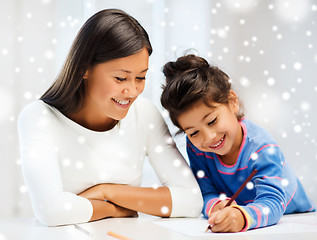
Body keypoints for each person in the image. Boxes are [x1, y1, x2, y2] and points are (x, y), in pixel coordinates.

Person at [17, 9, 203, 227]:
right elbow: (50, 211)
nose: (132, 91)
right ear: (84, 68)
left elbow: (191, 202)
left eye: (141, 77)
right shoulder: (39, 118)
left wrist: (107, 191)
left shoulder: (144, 114)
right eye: (120, 78)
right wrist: (116, 209)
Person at [160, 54, 315, 232]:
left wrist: (241, 217)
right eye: (194, 132)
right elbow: (205, 192)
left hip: (297, 221)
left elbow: (272, 203)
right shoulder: (196, 149)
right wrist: (215, 206)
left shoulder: (263, 149)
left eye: (212, 121)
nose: (208, 137)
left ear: (232, 102)